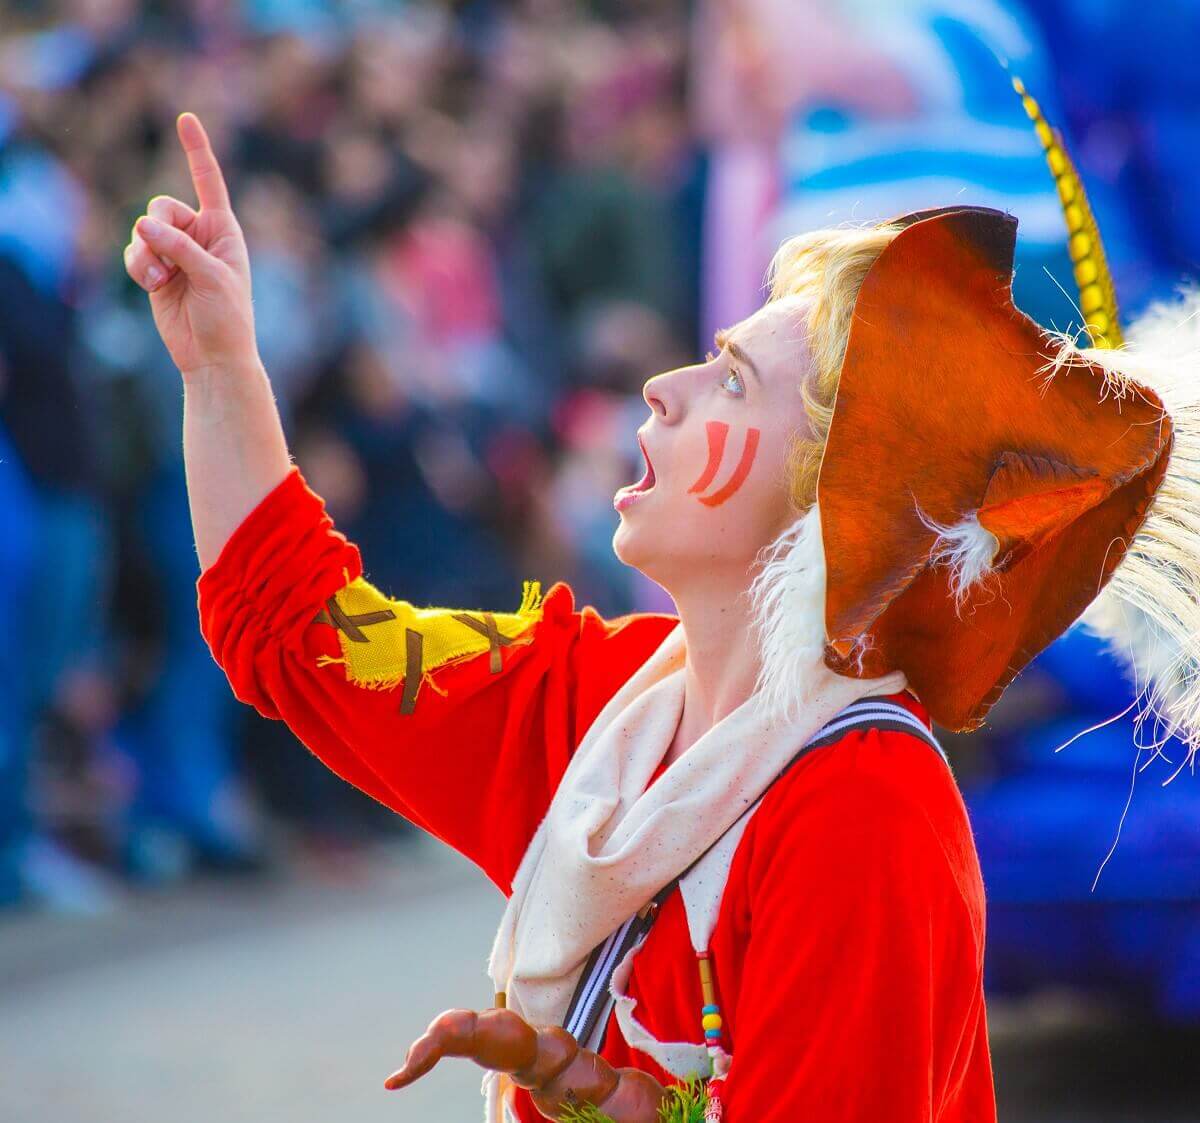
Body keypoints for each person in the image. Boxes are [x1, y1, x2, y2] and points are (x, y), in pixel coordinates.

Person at [123, 103, 1199, 1123]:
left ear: (837, 501)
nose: (663, 389)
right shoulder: (606, 701)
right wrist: (220, 362)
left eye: (731, 381)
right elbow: (300, 633)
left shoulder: (866, 811)